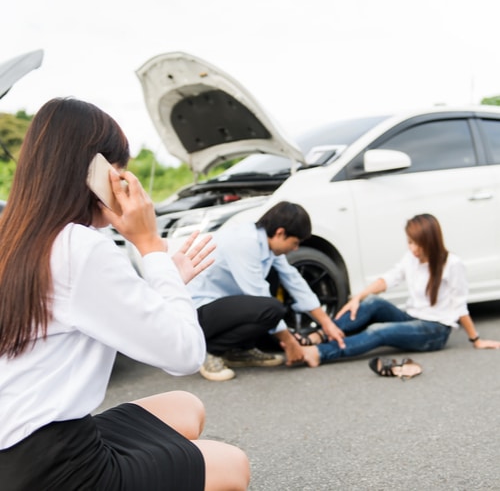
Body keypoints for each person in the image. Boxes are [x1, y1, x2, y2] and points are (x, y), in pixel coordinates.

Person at [0, 98, 250, 491]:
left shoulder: (17, 237)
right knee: (232, 466)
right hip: (55, 467)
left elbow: (97, 308)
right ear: (93, 172)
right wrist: (150, 246)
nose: (125, 180)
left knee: (187, 408)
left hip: (21, 448)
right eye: (119, 168)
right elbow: (184, 355)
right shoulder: (80, 247)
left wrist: (167, 277)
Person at [299, 213, 500, 370]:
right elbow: (387, 279)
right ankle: (320, 335)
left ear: (431, 241)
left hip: (435, 330)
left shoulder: (452, 264)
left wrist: (476, 340)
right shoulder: (411, 258)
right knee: (371, 303)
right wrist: (358, 297)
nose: (413, 248)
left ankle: (319, 352)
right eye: (410, 242)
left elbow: (460, 305)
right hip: (411, 317)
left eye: (418, 243)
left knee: (378, 331)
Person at [187, 201, 345, 381]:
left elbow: (293, 280)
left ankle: (240, 350)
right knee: (272, 309)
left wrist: (326, 323)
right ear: (280, 233)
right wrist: (291, 343)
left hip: (220, 306)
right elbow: (259, 297)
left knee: (274, 279)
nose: (296, 248)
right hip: (196, 313)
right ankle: (210, 351)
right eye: (295, 243)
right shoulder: (244, 243)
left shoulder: (266, 244)